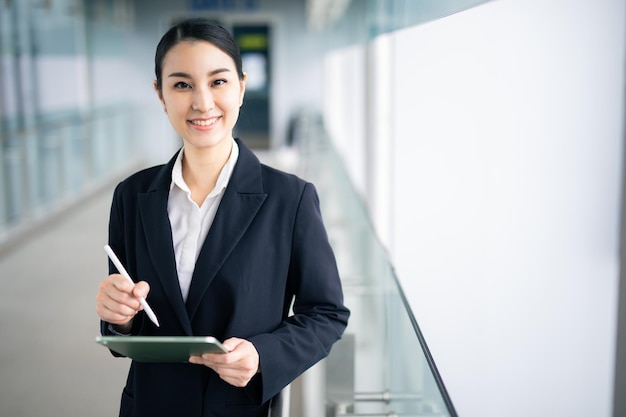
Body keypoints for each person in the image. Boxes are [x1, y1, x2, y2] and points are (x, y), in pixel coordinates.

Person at [95, 17, 350, 417]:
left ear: (242, 86)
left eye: (218, 82)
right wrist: (119, 317)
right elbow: (129, 321)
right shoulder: (132, 196)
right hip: (150, 405)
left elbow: (327, 313)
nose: (202, 102)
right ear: (160, 95)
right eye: (181, 84)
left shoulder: (290, 199)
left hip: (238, 407)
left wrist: (263, 354)